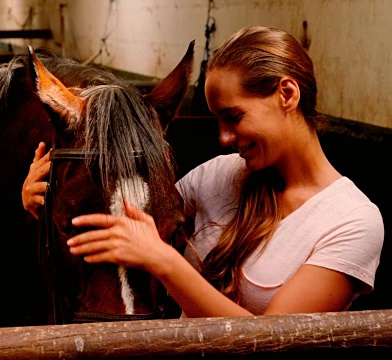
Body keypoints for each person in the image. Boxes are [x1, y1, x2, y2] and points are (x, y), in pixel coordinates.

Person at [21, 26, 384, 318]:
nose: (223, 137)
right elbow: (128, 222)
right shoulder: (221, 174)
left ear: (286, 94)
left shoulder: (352, 222)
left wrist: (165, 262)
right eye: (217, 120)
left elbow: (274, 344)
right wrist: (46, 199)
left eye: (234, 117)